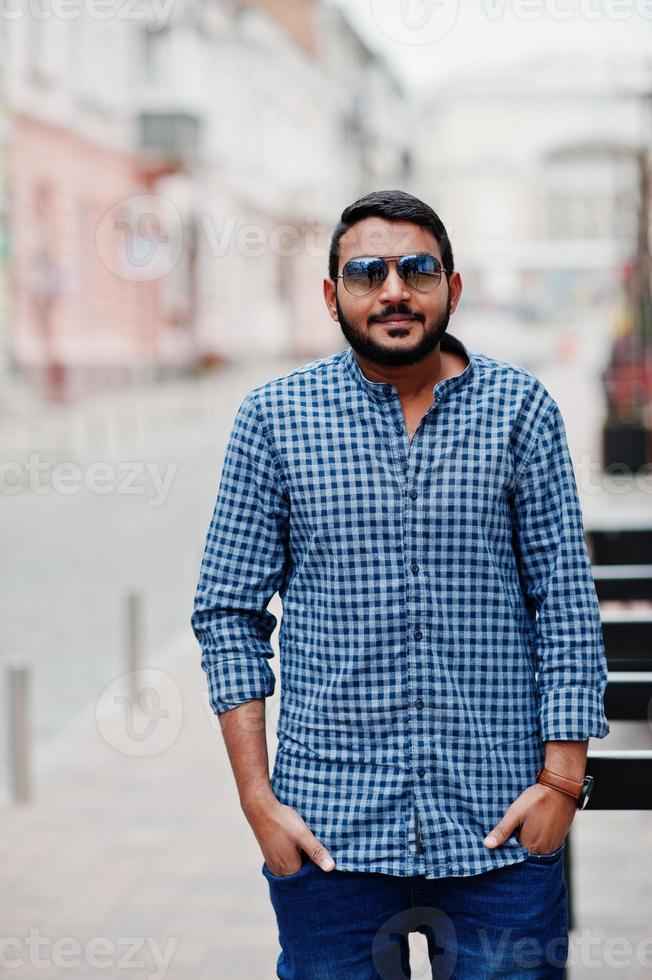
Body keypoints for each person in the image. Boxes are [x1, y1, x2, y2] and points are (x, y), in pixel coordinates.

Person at [191, 189, 610, 978]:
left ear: (453, 288)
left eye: (417, 269)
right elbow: (227, 612)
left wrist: (562, 780)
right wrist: (258, 801)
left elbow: (565, 603)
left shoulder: (520, 411)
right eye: (367, 273)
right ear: (332, 295)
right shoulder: (275, 419)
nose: (393, 290)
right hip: (329, 839)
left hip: (501, 831)